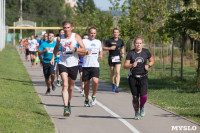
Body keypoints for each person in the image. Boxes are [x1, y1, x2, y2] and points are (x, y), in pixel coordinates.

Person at [50, 21, 86, 117]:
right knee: (65, 84)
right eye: (64, 27)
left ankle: (68, 103)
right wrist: (53, 57)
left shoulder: (76, 37)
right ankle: (65, 107)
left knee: (71, 87)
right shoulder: (59, 38)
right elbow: (56, 48)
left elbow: (84, 49)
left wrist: (75, 49)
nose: (66, 29)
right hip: (63, 63)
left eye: (68, 27)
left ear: (71, 28)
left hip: (74, 64)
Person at [124, 37, 154, 120]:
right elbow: (125, 66)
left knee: (143, 96)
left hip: (143, 77)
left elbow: (152, 61)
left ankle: (142, 106)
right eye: (137, 43)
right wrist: (131, 65)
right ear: (134, 44)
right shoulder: (131, 53)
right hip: (133, 78)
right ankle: (136, 112)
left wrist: (148, 65)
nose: (138, 45)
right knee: (135, 97)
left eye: (140, 43)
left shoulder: (146, 52)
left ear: (142, 44)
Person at [82, 27, 103, 107]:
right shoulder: (84, 41)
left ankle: (94, 96)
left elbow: (100, 50)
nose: (92, 34)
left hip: (95, 65)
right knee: (86, 84)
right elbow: (80, 52)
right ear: (88, 33)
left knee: (95, 81)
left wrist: (101, 54)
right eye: (91, 33)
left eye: (94, 33)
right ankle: (86, 99)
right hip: (86, 65)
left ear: (96, 34)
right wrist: (86, 53)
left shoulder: (98, 42)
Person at [103, 28, 125, 93]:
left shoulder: (121, 41)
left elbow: (122, 47)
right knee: (112, 72)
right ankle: (113, 83)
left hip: (118, 57)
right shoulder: (109, 40)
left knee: (118, 72)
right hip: (111, 57)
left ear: (119, 33)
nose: (116, 33)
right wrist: (110, 48)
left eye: (117, 32)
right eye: (114, 32)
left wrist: (123, 53)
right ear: (113, 33)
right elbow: (104, 48)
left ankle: (117, 87)